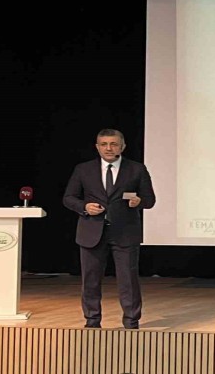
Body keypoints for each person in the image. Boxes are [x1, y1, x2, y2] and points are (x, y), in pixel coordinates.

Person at [63, 128, 156, 329]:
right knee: (90, 280)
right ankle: (92, 320)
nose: (108, 148)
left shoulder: (136, 169)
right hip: (91, 231)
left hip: (125, 232)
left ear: (122, 146)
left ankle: (131, 321)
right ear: (97, 147)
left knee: (128, 280)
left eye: (113, 144)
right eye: (104, 144)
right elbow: (69, 198)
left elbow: (150, 199)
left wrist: (139, 201)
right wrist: (85, 207)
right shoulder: (83, 169)